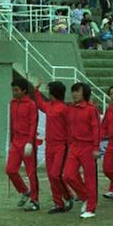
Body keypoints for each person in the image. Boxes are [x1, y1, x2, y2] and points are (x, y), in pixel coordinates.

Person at [34, 81, 73, 213]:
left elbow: (69, 127)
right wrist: (36, 92)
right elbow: (40, 104)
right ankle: (58, 203)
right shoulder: (50, 106)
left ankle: (68, 196)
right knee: (51, 175)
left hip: (61, 145)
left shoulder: (64, 108)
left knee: (56, 174)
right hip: (49, 145)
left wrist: (69, 144)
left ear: (53, 92)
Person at [63, 82, 100, 219]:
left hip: (88, 147)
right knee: (68, 175)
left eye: (77, 91)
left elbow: (96, 129)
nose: (74, 94)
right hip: (74, 146)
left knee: (90, 178)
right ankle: (85, 197)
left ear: (84, 93)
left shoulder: (91, 109)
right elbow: (68, 127)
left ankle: (91, 207)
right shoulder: (71, 108)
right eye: (73, 91)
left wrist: (96, 148)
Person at [5, 78, 39, 211]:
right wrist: (11, 141)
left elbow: (33, 123)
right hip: (16, 141)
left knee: (31, 173)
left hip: (27, 142)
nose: (14, 93)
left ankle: (35, 200)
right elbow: (11, 124)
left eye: (16, 90)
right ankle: (25, 191)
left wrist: (30, 142)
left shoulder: (31, 104)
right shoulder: (12, 103)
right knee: (10, 170)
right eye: (13, 90)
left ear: (24, 90)